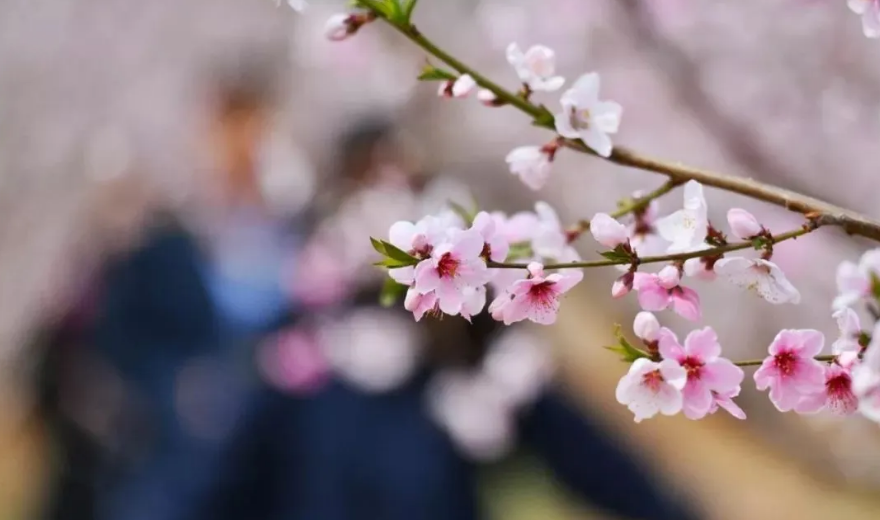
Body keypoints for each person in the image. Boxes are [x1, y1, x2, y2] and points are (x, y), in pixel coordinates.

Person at [203, 117, 703, 520]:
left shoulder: (471, 343)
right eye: (369, 191)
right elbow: (226, 474)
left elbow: (584, 454)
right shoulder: (305, 344)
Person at [36, 54, 309, 520]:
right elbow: (119, 348)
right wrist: (178, 392)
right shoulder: (160, 243)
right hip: (169, 474)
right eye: (229, 129)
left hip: (277, 475)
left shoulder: (304, 242)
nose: (242, 148)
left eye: (254, 129)